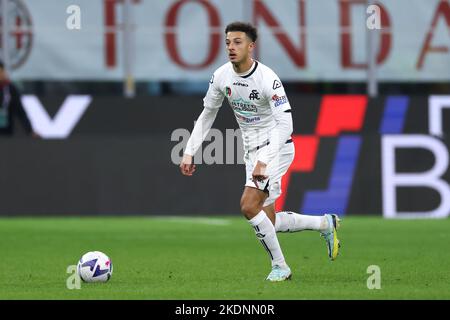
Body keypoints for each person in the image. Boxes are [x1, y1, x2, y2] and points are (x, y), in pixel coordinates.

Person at [179, 22, 341, 281]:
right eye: (228, 42)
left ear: (251, 46)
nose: (231, 47)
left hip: (276, 149)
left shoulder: (267, 79)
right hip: (250, 153)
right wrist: (190, 151)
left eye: (238, 42)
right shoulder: (221, 76)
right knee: (269, 220)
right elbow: (208, 112)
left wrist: (264, 161)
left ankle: (281, 267)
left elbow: (286, 124)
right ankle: (324, 223)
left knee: (248, 205)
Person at [0, 60, 35, 136]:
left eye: (2, 70)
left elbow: (20, 111)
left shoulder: (10, 89)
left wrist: (30, 130)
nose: (1, 74)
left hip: (7, 132)